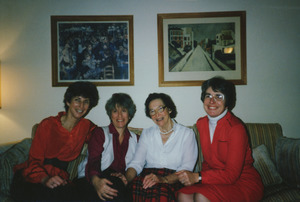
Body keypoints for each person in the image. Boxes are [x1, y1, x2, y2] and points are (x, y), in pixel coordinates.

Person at [176, 77, 264, 202]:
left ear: (227, 100)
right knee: (183, 195)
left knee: (201, 197)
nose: (212, 101)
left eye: (219, 96)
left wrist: (198, 177)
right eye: (208, 96)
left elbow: (232, 175)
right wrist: (202, 180)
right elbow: (208, 162)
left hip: (242, 182)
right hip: (217, 181)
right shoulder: (201, 124)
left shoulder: (236, 128)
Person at [10, 81, 99, 201]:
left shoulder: (86, 126)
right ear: (68, 102)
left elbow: (103, 136)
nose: (81, 106)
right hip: (35, 176)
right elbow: (34, 160)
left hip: (59, 176)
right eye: (77, 100)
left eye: (86, 101)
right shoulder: (48, 124)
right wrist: (45, 179)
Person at [125, 93, 198, 201]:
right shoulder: (147, 133)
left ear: (169, 109)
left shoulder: (187, 134)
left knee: (159, 192)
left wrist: (163, 179)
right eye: (152, 111)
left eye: (160, 109)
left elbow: (186, 169)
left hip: (172, 179)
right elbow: (136, 163)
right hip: (148, 177)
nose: (157, 115)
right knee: (134, 187)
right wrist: (125, 179)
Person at [76, 93, 138, 201]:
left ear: (129, 114)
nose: (119, 116)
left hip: (117, 182)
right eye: (115, 111)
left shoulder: (136, 139)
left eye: (123, 110)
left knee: (121, 188)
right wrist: (96, 181)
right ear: (110, 114)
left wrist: (126, 178)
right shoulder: (100, 133)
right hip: (91, 179)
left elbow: (138, 165)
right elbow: (93, 160)